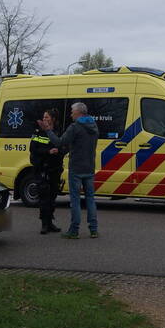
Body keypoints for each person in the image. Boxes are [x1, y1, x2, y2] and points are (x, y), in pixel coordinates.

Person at [47, 102, 99, 239]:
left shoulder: (75, 127)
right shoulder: (94, 126)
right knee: (90, 199)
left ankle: (74, 230)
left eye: (72, 112)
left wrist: (48, 131)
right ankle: (93, 229)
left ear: (78, 113)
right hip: (89, 167)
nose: (70, 114)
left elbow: (60, 142)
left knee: (75, 200)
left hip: (76, 168)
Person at [31, 109, 64, 234]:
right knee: (44, 197)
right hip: (42, 169)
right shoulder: (38, 132)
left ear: (53, 119)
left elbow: (64, 146)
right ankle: (44, 224)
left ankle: (50, 222)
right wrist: (48, 151)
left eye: (47, 117)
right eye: (44, 117)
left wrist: (60, 151)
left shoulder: (59, 131)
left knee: (52, 197)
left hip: (55, 169)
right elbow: (33, 149)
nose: (44, 119)